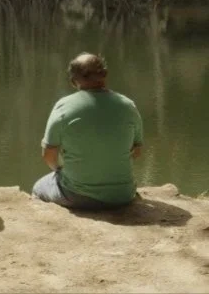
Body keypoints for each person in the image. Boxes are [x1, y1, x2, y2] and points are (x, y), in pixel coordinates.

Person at [32, 52, 143, 210]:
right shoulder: (128, 106)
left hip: (78, 196)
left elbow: (48, 155)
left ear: (73, 81)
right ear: (105, 74)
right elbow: (137, 152)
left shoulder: (64, 107)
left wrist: (59, 169)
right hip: (123, 195)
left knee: (38, 187)